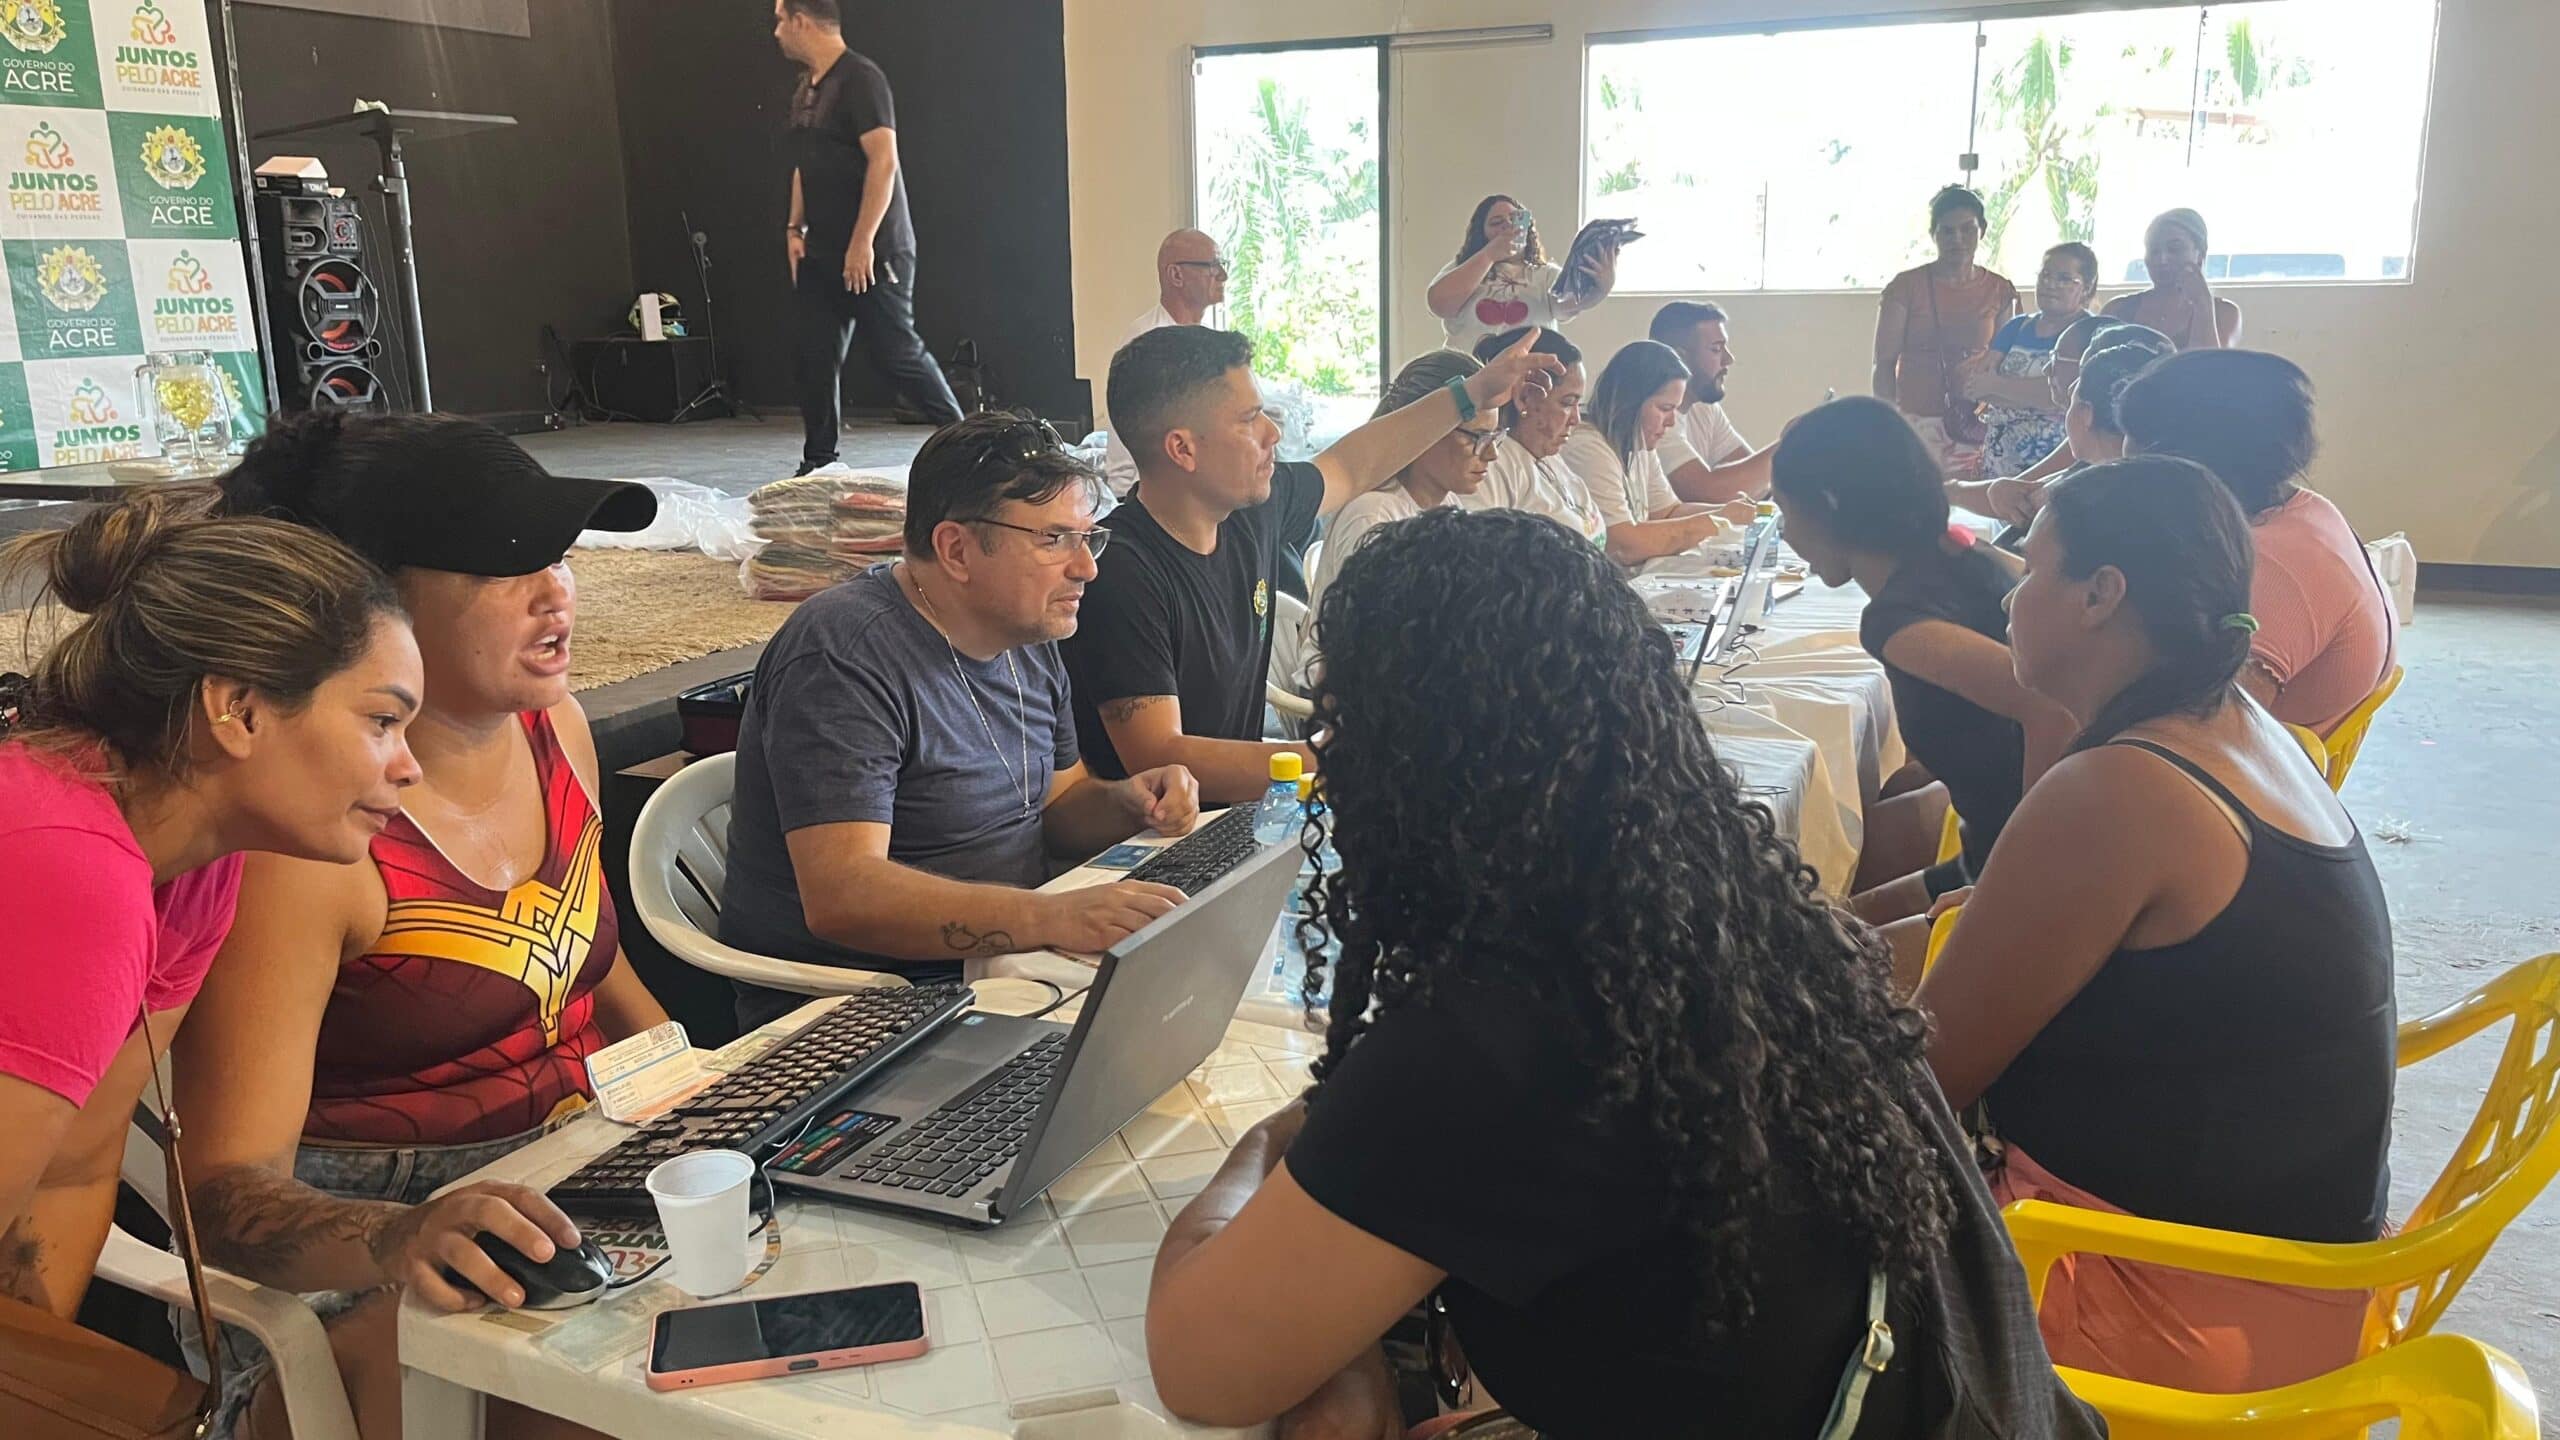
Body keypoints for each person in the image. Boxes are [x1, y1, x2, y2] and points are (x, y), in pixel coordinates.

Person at [1145, 508, 2105, 1439]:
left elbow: (1201, 1367)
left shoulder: (1495, 1041)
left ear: (1398, 760)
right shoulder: (1732, 926)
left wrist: (1266, 1146)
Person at [178, 414, 672, 1440]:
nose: (556, 594)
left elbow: (584, 970)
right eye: (505, 568)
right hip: (354, 1282)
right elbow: (221, 1196)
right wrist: (401, 1236)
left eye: (559, 558)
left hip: (570, 1196)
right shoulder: (305, 845)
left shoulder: (554, 726)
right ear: (365, 605)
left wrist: (707, 1088)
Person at [1912, 456, 2392, 1393]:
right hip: (2294, 1278)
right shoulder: (2238, 726)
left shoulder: (2120, 789)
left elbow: (1926, 1078)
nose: (2009, 596)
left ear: (2101, 594)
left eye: (2031, 567)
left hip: (2174, 1302)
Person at [0, 494, 424, 1437]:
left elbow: (70, 1176)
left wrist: (46, 1393)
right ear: (237, 708)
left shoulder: (195, 867)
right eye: (383, 721)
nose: (410, 767)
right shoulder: (68, 869)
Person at [721, 415, 1201, 1027]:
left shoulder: (1027, 632)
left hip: (1005, 970)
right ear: (955, 550)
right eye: (1055, 539)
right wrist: (1054, 917)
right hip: (863, 1008)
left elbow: (1058, 802)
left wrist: (1128, 802)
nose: (1087, 568)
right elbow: (843, 896)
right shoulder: (841, 653)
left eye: (1087, 537)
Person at [1062, 324, 1561, 804]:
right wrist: (1335, 756)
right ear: (1182, 448)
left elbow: (1351, 465)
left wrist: (1470, 393)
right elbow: (1159, 755)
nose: (1273, 432)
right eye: (1249, 419)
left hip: (1234, 814)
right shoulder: (1118, 570)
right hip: (1147, 841)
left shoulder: (1251, 511)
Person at [1770, 398, 2074, 926]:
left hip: (2033, 863)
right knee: (1828, 922)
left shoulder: (1900, 622)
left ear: (1829, 505)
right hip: (1992, 844)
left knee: (1820, 944)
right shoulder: (1960, 552)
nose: (1784, 533)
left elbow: (2053, 708)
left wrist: (2017, 876)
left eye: (1785, 511)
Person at [2118, 350, 2395, 734]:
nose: (2126, 473)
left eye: (2139, 462)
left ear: (2194, 465)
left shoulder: (2269, 569)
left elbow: (2193, 735)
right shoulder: (2301, 509)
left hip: (2225, 758)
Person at [776, 0, 962, 474]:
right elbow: (804, 164)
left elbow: (884, 161)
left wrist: (862, 243)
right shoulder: (807, 89)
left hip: (875, 252)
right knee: (813, 355)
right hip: (821, 250)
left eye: (780, 20)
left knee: (897, 354)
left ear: (801, 21)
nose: (776, 31)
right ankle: (819, 462)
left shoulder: (861, 79)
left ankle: (968, 444)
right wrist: (795, 226)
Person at [1304, 350, 1497, 614]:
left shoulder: (1447, 504)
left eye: (1494, 437)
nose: (1491, 453)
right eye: (1477, 437)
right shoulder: (1373, 516)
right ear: (1427, 429)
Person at [1955, 326, 2176, 540]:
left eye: (2074, 395)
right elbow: (2027, 493)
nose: (2047, 369)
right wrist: (2001, 491)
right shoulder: (2147, 471)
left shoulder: (2083, 492)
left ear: (2086, 413)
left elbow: (2036, 548)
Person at [1874, 186, 2021, 480]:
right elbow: (1884, 363)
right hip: (1916, 420)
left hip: (1974, 423)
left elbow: (2006, 363)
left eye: (1967, 229)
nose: (1958, 239)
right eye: (1947, 231)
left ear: (1982, 231)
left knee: (1971, 501)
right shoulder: (1906, 287)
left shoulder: (2000, 290)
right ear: (1934, 234)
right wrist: (1889, 424)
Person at [1560, 340, 1736, 569]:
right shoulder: (1587, 447)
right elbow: (1622, 545)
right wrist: (1722, 521)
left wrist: (1731, 512)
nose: (1671, 422)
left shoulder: (1639, 441)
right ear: (1630, 402)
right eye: (1665, 409)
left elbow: (1668, 512)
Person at [1102, 230, 1228, 497]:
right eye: (1212, 265)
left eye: (1223, 264)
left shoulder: (1209, 339)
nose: (1223, 275)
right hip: (1153, 496)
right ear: (1176, 275)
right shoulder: (1146, 344)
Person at [1966, 242, 2098, 479]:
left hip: (2055, 471)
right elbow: (1977, 386)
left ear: (2086, 288)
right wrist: (2032, 396)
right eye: (2045, 275)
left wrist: (1998, 386)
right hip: (1998, 465)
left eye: (2064, 279)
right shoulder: (2017, 327)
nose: (2050, 284)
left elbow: (2060, 397)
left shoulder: (2089, 332)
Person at [1466, 326, 1606, 546]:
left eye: (1578, 405)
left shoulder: (1551, 458)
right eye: (1567, 403)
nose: (1576, 419)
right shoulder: (1492, 467)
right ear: (1526, 397)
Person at [1425, 194, 1614, 354]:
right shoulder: (1462, 267)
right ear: (1481, 233)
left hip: (1531, 375)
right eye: (1497, 222)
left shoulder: (1545, 274)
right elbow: (1439, 305)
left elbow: (1569, 305)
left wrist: (1600, 289)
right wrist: (1489, 254)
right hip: (1470, 372)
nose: (1507, 226)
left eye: (1514, 219)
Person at [1649, 300, 1779, 504]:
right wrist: (1789, 442)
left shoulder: (1705, 408)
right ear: (1678, 358)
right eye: (1716, 349)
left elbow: (1757, 484)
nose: (1729, 359)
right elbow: (1707, 493)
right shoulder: (1654, 419)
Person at [2103, 208, 2243, 352]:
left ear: (2200, 255)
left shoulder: (2224, 313)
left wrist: (2203, 305)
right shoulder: (2118, 309)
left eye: (2175, 249)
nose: (2162, 260)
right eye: (2154, 250)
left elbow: (2209, 363)